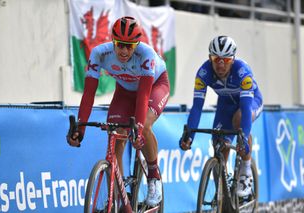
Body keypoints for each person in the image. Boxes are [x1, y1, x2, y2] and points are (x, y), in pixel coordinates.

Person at [67, 16, 170, 207]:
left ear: (137, 44)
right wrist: (80, 128)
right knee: (115, 139)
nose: (124, 50)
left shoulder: (146, 54)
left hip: (154, 86)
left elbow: (143, 95)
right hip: (124, 91)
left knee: (145, 126)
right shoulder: (99, 54)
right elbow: (89, 93)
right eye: (120, 44)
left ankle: (154, 177)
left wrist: (138, 129)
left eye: (129, 46)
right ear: (113, 41)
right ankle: (119, 201)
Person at [179, 36, 263, 198]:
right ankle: (222, 195)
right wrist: (189, 135)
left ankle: (245, 170)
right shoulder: (203, 73)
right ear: (210, 58)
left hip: (250, 102)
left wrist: (243, 138)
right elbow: (197, 107)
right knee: (218, 142)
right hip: (225, 105)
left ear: (233, 59)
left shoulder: (242, 72)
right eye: (216, 59)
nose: (220, 64)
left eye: (226, 59)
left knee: (238, 120)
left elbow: (245, 109)